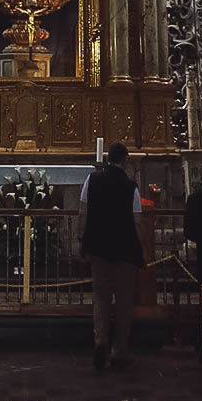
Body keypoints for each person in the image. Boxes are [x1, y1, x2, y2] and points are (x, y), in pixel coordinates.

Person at [80, 142, 144, 373]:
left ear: (107, 158)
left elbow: (83, 211)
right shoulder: (131, 187)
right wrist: (139, 250)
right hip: (125, 250)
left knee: (100, 298)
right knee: (124, 302)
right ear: (125, 160)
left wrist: (82, 240)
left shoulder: (92, 180)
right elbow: (137, 222)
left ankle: (100, 342)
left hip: (98, 248)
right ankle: (120, 350)